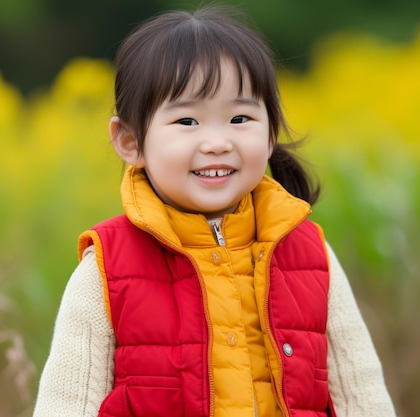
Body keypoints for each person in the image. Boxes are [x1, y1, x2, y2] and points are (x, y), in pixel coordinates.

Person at [33, 6, 395, 417]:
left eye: (240, 118)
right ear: (130, 141)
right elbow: (65, 405)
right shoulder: (106, 270)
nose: (217, 142)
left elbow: (363, 397)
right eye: (187, 121)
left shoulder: (311, 257)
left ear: (271, 130)